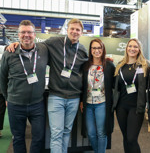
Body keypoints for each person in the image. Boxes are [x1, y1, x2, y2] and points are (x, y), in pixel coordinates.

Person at [6, 18, 88, 153]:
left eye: (77, 29)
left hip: (74, 97)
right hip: (56, 96)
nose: (74, 31)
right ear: (67, 30)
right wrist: (18, 43)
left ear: (81, 32)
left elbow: (87, 66)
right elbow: (33, 45)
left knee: (67, 131)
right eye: (72, 29)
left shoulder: (82, 50)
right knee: (56, 133)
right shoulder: (54, 42)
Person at [0, 20, 48, 153]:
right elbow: (2, 78)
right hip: (16, 104)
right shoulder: (9, 53)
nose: (26, 35)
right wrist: (6, 97)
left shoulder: (43, 50)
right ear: (18, 34)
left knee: (38, 137)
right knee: (18, 138)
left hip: (37, 104)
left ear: (34, 34)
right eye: (23, 32)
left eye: (29, 32)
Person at [112, 38, 150, 153]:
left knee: (132, 138)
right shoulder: (119, 65)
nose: (132, 49)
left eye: (135, 47)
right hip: (121, 107)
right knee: (125, 138)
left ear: (139, 50)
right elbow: (116, 86)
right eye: (130, 46)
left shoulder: (144, 65)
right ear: (126, 48)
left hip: (136, 107)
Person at [80, 38, 115, 153]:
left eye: (99, 48)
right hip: (88, 104)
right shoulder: (85, 65)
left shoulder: (109, 66)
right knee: (90, 133)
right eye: (94, 48)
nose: (96, 50)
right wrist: (81, 101)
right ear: (90, 50)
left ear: (103, 49)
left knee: (101, 132)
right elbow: (82, 85)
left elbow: (115, 84)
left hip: (102, 103)